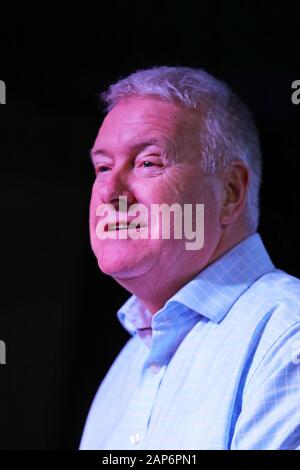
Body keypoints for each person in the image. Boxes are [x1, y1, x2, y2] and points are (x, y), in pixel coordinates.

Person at [79, 66, 300, 450]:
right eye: (102, 167)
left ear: (230, 193)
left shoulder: (287, 336)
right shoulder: (127, 367)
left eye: (148, 162)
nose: (109, 191)